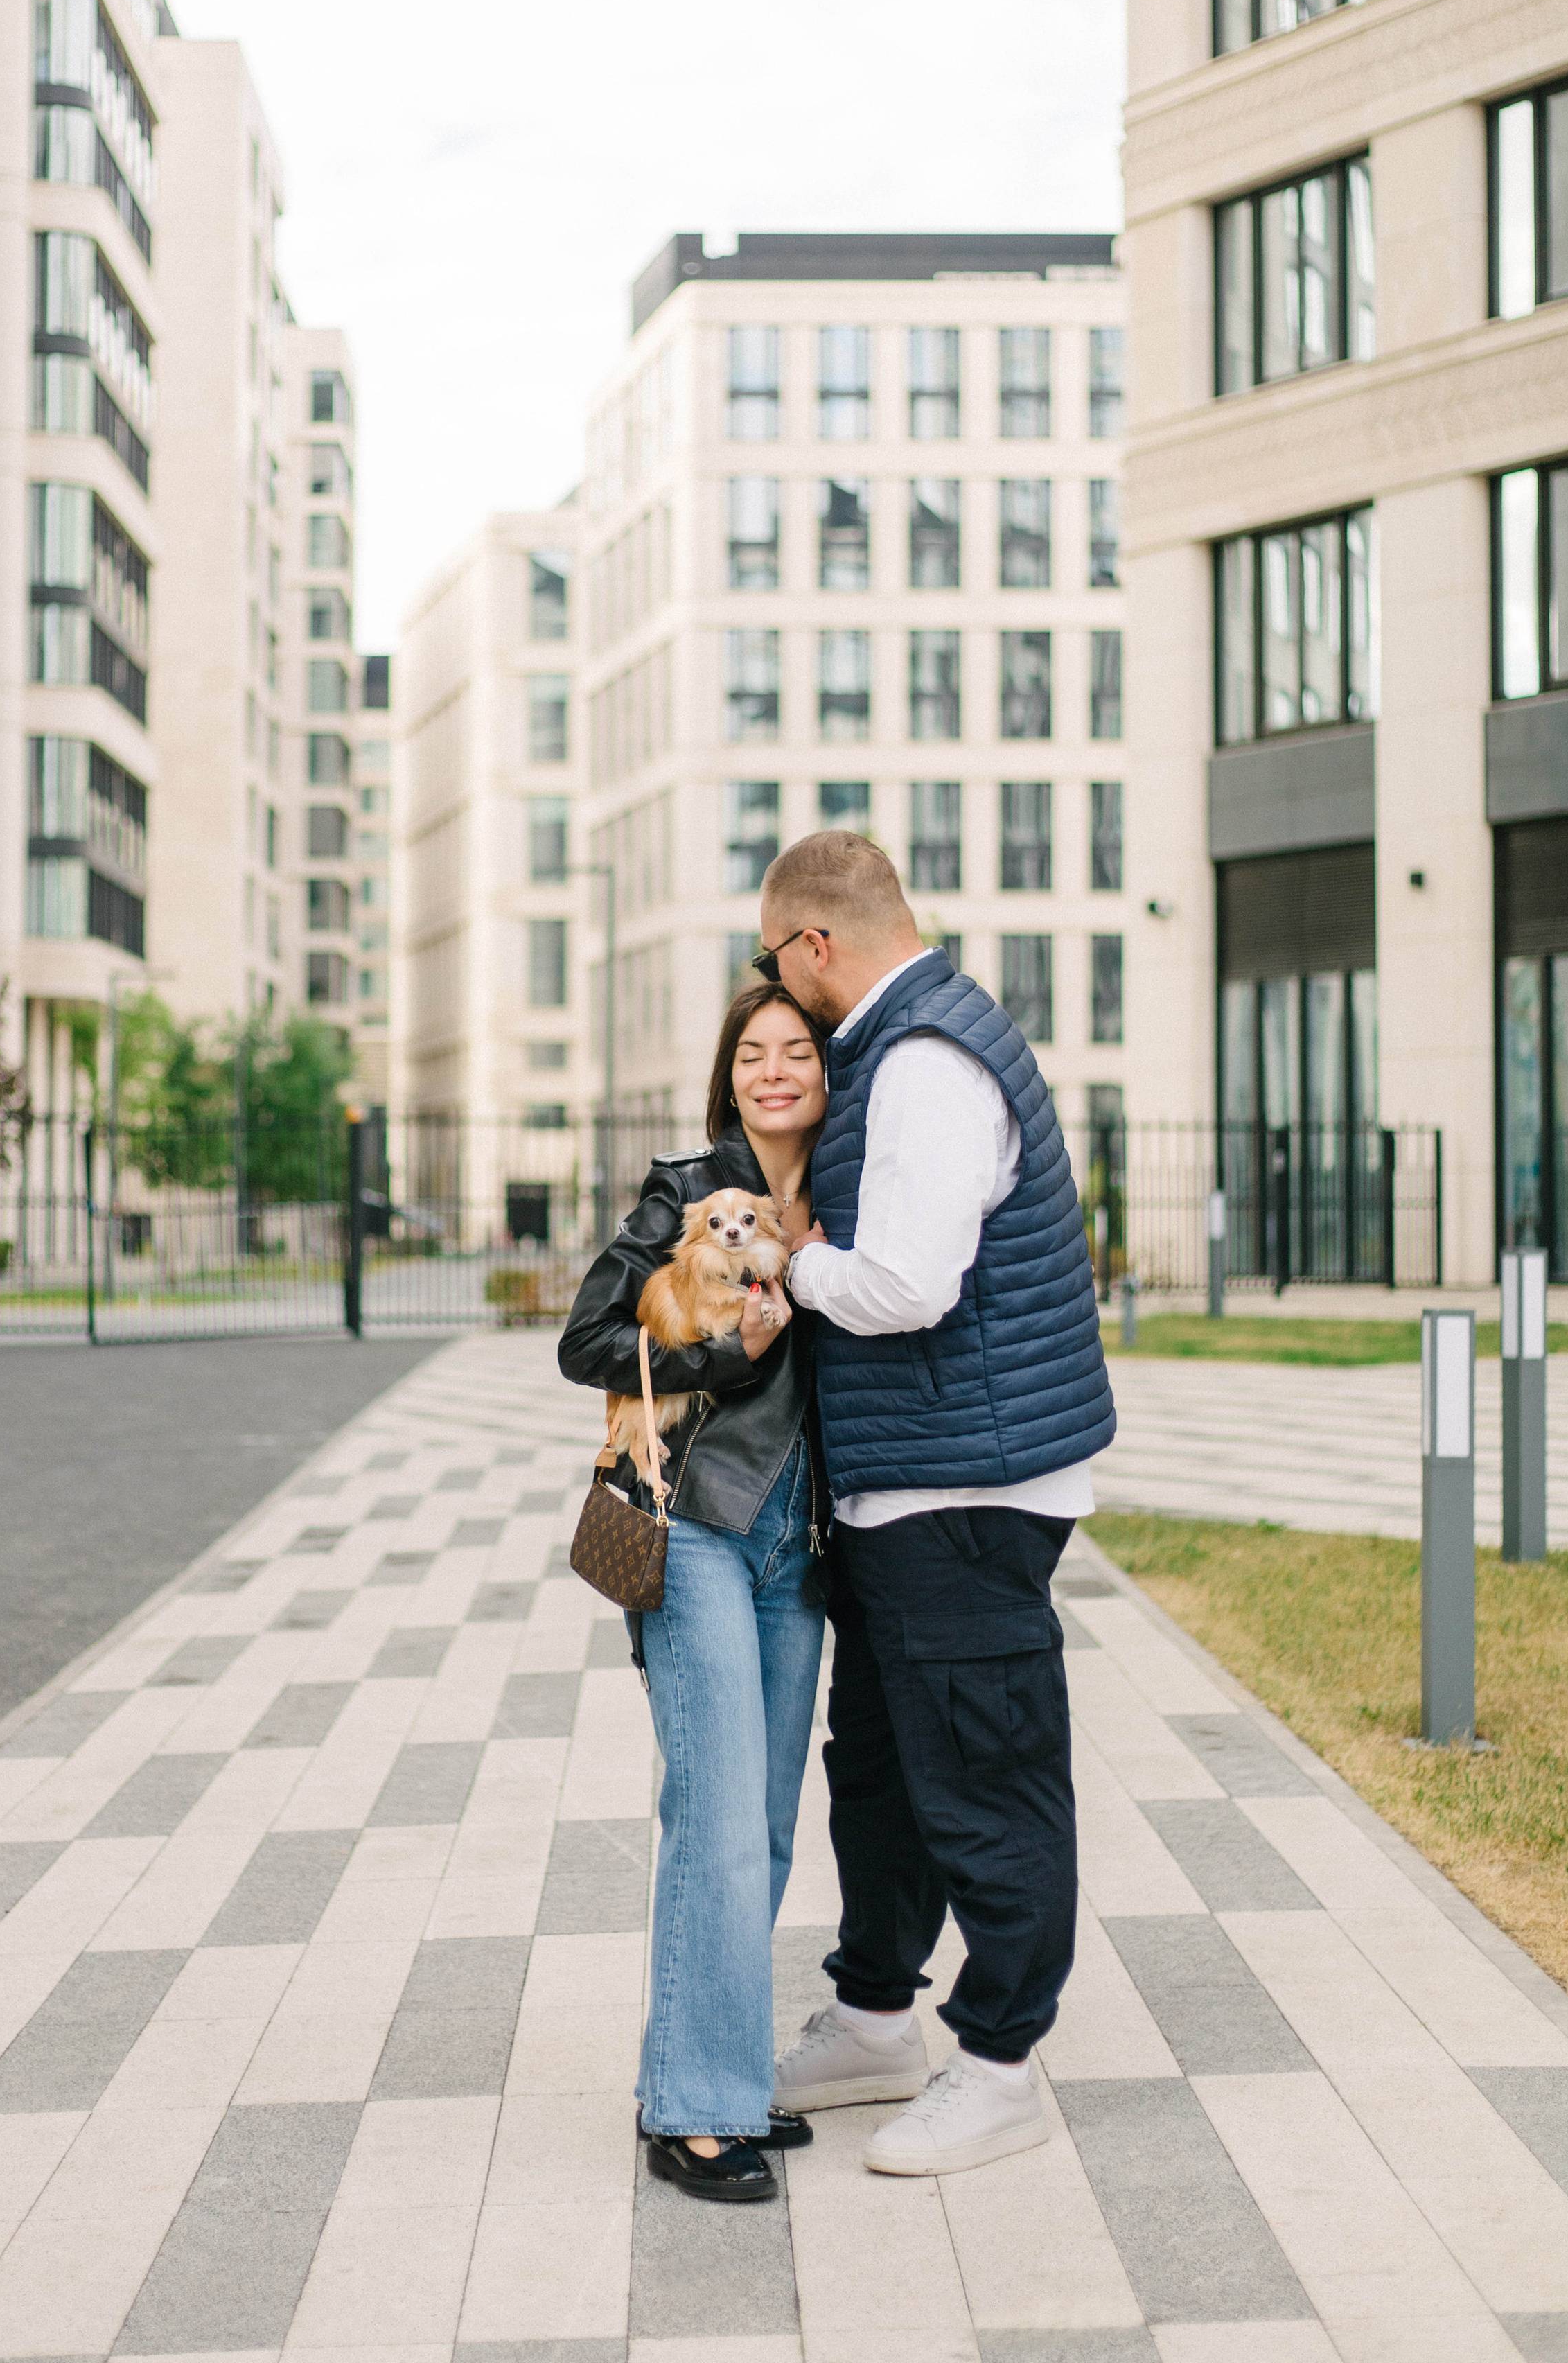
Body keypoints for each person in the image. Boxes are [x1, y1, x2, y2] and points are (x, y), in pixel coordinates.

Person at [755, 828, 1116, 2179]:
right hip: (913, 1487)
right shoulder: (903, 1050)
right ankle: (872, 2022)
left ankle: (1001, 2067)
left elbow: (910, 1285)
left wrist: (796, 1267)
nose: (775, 991)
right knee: (887, 1775)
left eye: (773, 962)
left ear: (814, 944)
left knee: (983, 1779)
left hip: (966, 1489)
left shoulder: (922, 1064)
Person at [558, 982, 829, 2204]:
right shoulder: (685, 1191)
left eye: (797, 1050)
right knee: (715, 1814)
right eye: (752, 1053)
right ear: (730, 1077)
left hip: (800, 1540)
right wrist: (727, 1355)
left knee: (762, 1823)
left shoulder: (845, 1200)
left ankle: (698, 2065)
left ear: (825, 1072)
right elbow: (587, 1341)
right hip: (700, 1526)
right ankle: (699, 2111)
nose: (774, 1070)